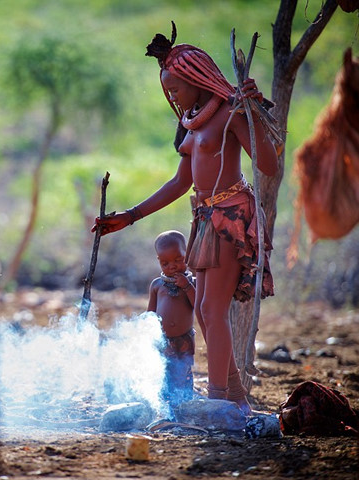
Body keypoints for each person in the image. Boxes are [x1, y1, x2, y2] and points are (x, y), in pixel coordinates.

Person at [93, 24, 278, 415]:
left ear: (197, 79)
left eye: (175, 88)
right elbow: (181, 181)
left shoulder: (229, 113)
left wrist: (254, 113)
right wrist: (130, 216)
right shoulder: (193, 122)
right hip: (205, 218)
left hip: (231, 215)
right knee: (203, 311)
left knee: (211, 309)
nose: (171, 96)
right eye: (167, 90)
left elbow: (268, 164)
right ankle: (234, 400)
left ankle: (218, 401)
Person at [147, 230, 196, 407]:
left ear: (187, 255)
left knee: (183, 370)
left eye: (178, 260)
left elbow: (198, 305)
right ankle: (165, 403)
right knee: (163, 370)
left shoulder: (193, 283)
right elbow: (150, 314)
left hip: (184, 339)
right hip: (162, 340)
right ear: (158, 261)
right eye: (165, 263)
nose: (172, 266)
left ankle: (184, 402)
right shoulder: (157, 285)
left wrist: (187, 286)